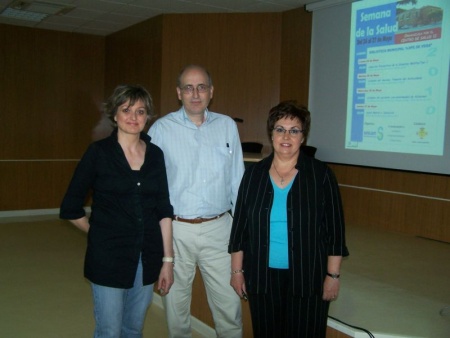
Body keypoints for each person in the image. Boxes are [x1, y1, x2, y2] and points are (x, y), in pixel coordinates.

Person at [60, 84, 174, 338]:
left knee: (133, 328)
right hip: (108, 257)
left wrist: (168, 261)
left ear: (147, 117)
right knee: (109, 330)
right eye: (126, 110)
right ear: (114, 115)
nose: (134, 117)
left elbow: (164, 209)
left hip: (147, 255)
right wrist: (97, 232)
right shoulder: (98, 153)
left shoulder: (155, 155)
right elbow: (70, 207)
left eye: (141, 111)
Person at [228, 100, 349, 338]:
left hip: (308, 278)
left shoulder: (321, 175)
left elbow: (335, 232)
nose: (286, 136)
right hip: (262, 277)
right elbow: (240, 229)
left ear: (303, 137)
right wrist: (236, 272)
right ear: (271, 134)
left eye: (294, 130)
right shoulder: (253, 175)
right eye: (280, 129)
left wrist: (332, 276)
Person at [149, 64, 244, 338]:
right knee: (176, 310)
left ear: (211, 92)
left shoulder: (226, 126)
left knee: (229, 308)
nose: (195, 93)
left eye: (201, 87)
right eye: (188, 87)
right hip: (176, 231)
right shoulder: (162, 129)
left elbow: (237, 181)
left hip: (220, 230)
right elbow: (151, 185)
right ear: (179, 93)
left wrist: (241, 232)